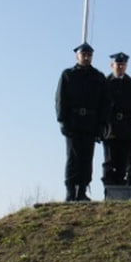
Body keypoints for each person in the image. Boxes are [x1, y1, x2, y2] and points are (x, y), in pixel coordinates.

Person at [54, 42, 107, 201]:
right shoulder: (68, 75)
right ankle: (70, 191)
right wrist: (62, 121)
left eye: (89, 55)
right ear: (77, 56)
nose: (86, 57)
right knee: (73, 157)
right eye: (83, 55)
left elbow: (104, 103)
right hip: (73, 122)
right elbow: (60, 99)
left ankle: (82, 190)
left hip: (90, 123)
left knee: (87, 158)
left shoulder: (98, 77)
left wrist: (101, 125)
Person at [102, 52, 131, 187]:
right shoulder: (105, 83)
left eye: (123, 65)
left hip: (127, 128)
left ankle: (120, 190)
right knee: (109, 163)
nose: (120, 67)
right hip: (110, 129)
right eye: (118, 64)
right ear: (112, 65)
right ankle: (109, 191)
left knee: (123, 163)